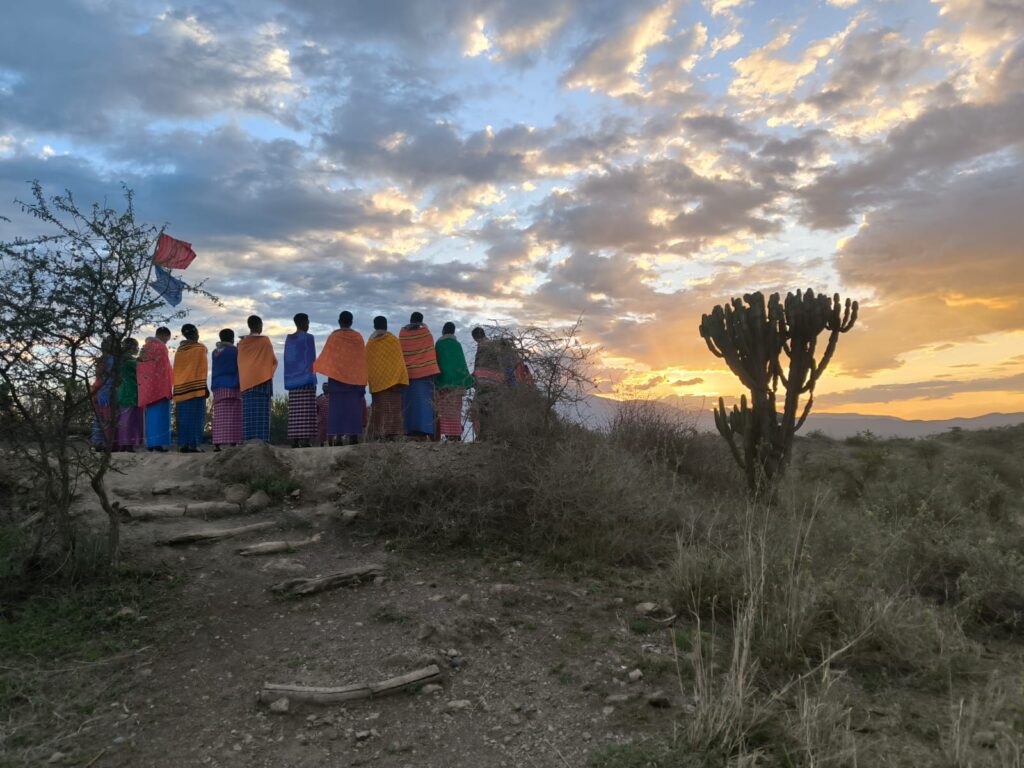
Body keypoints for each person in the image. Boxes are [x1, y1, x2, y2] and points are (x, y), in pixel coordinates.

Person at [312, 310, 367, 445]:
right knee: (353, 408)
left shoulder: (333, 337)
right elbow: (361, 359)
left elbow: (328, 357)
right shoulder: (358, 337)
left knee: (337, 409)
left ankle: (337, 437)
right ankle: (353, 437)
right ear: (351, 322)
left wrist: (319, 367)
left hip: (336, 379)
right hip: (354, 380)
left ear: (339, 321)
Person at [365, 316, 408, 440]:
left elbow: (368, 363)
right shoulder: (393, 340)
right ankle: (393, 435)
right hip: (393, 383)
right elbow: (399, 362)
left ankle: (379, 434)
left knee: (379, 409)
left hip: (378, 384)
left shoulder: (370, 343)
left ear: (374, 326)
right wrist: (398, 379)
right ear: (386, 325)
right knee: (393, 408)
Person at [399, 312, 441, 440]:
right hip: (425, 375)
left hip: (408, 375)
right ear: (421, 321)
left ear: (410, 320)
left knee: (409, 403)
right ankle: (425, 431)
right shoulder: (426, 333)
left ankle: (410, 431)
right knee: (425, 404)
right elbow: (430, 352)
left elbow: (401, 352)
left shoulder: (402, 333)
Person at [238, 315, 278, 443]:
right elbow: (272, 361)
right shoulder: (265, 341)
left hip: (246, 382)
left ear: (249, 326)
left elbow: (240, 362)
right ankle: (262, 440)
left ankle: (248, 440)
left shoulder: (242, 343)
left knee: (248, 413)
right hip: (262, 381)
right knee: (262, 413)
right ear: (259, 325)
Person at [284, 313, 318, 448]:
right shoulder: (309, 338)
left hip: (292, 380)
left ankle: (294, 439)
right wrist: (312, 377)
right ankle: (305, 440)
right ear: (303, 322)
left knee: (295, 411)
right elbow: (312, 359)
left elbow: (288, 359)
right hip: (306, 379)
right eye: (307, 322)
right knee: (307, 411)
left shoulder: (289, 339)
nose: (308, 325)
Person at [173, 324, 209, 453]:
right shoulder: (200, 348)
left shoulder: (179, 350)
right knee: (197, 416)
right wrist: (204, 388)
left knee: (183, 417)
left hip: (181, 388)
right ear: (196, 333)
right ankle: (194, 445)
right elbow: (202, 370)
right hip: (195, 388)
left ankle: (183, 444)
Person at [434, 322, 473, 441]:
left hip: (443, 384)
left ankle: (447, 434)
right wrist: (465, 380)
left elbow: (436, 363)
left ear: (443, 331)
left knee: (444, 411)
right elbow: (461, 364)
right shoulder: (457, 345)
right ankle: (455, 435)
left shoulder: (439, 345)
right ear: (453, 332)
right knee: (455, 410)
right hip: (456, 385)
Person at [138, 327, 174, 452]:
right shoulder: (161, 347)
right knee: (161, 416)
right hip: (161, 387)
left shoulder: (145, 347)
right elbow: (164, 369)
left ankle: (150, 443)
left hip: (147, 387)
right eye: (167, 339)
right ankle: (159, 443)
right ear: (164, 336)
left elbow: (141, 368)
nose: (166, 342)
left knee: (150, 416)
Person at [211, 329, 242, 450]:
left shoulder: (215, 352)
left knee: (219, 415)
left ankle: (217, 443)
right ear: (232, 338)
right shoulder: (235, 351)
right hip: (233, 384)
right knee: (234, 414)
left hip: (218, 385)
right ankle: (233, 442)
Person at [115, 338, 143, 451]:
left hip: (123, 392)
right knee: (131, 419)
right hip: (130, 393)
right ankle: (129, 445)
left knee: (124, 418)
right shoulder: (130, 361)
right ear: (131, 347)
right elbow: (141, 369)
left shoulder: (121, 360)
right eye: (136, 347)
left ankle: (123, 444)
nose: (137, 349)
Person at [316, 382, 329, 447]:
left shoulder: (332, 398)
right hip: (321, 419)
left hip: (330, 419)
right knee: (321, 433)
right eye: (324, 387)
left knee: (330, 434)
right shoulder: (319, 398)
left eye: (326, 387)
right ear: (322, 388)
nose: (325, 388)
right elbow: (316, 409)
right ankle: (321, 445)